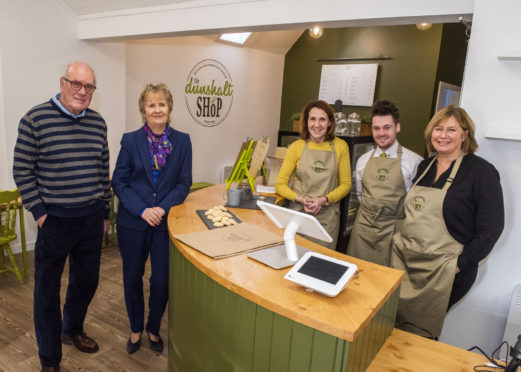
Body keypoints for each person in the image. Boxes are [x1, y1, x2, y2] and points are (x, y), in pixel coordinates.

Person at [12, 62, 110, 372]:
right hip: (54, 221)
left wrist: (105, 212)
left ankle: (72, 329)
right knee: (46, 294)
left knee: (87, 282)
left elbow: (102, 170)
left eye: (89, 87)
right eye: (77, 84)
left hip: (92, 218)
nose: (83, 91)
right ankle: (50, 359)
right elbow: (22, 170)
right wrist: (40, 214)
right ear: (62, 82)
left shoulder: (98, 123)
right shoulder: (34, 119)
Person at [391, 105, 504, 339]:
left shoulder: (481, 172)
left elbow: (491, 228)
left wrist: (460, 264)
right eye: (438, 129)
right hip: (407, 263)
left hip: (444, 270)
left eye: (451, 130)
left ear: (465, 135)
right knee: (394, 324)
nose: (442, 135)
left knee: (420, 332)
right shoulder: (425, 166)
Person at [112, 83, 192, 354]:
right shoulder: (130, 140)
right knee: (131, 277)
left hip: (165, 224)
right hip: (133, 223)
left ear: (169, 108)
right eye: (151, 104)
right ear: (143, 110)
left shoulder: (183, 141)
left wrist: (161, 209)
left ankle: (153, 327)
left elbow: (183, 184)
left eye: (162, 104)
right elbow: (119, 182)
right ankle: (136, 328)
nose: (157, 109)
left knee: (161, 281)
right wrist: (142, 210)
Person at [348, 100, 423, 266]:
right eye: (376, 128)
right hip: (363, 231)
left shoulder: (415, 162)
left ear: (397, 127)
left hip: (393, 232)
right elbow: (361, 195)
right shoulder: (362, 160)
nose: (381, 133)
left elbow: (416, 205)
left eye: (387, 127)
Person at [275, 100, 351, 250]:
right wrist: (301, 200)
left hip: (326, 219)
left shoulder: (341, 146)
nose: (317, 124)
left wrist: (323, 200)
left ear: (330, 122)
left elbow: (346, 184)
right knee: (294, 259)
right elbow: (280, 184)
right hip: (298, 216)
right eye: (312, 119)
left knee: (321, 264)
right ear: (306, 122)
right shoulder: (296, 147)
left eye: (322, 119)